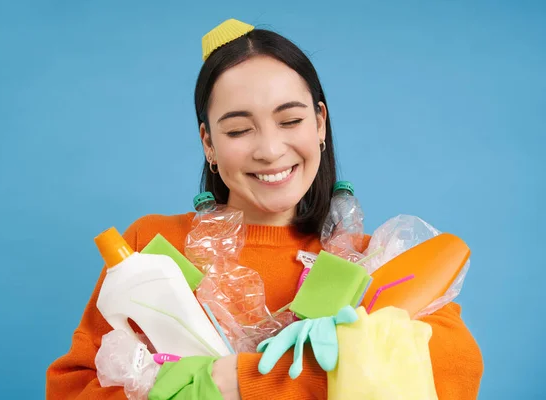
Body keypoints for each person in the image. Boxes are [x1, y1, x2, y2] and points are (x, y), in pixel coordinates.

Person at [46, 18, 483, 399]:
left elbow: (455, 371)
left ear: (320, 124)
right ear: (208, 144)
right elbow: (72, 387)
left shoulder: (373, 263)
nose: (271, 150)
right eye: (239, 130)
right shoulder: (155, 250)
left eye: (290, 121)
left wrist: (244, 382)